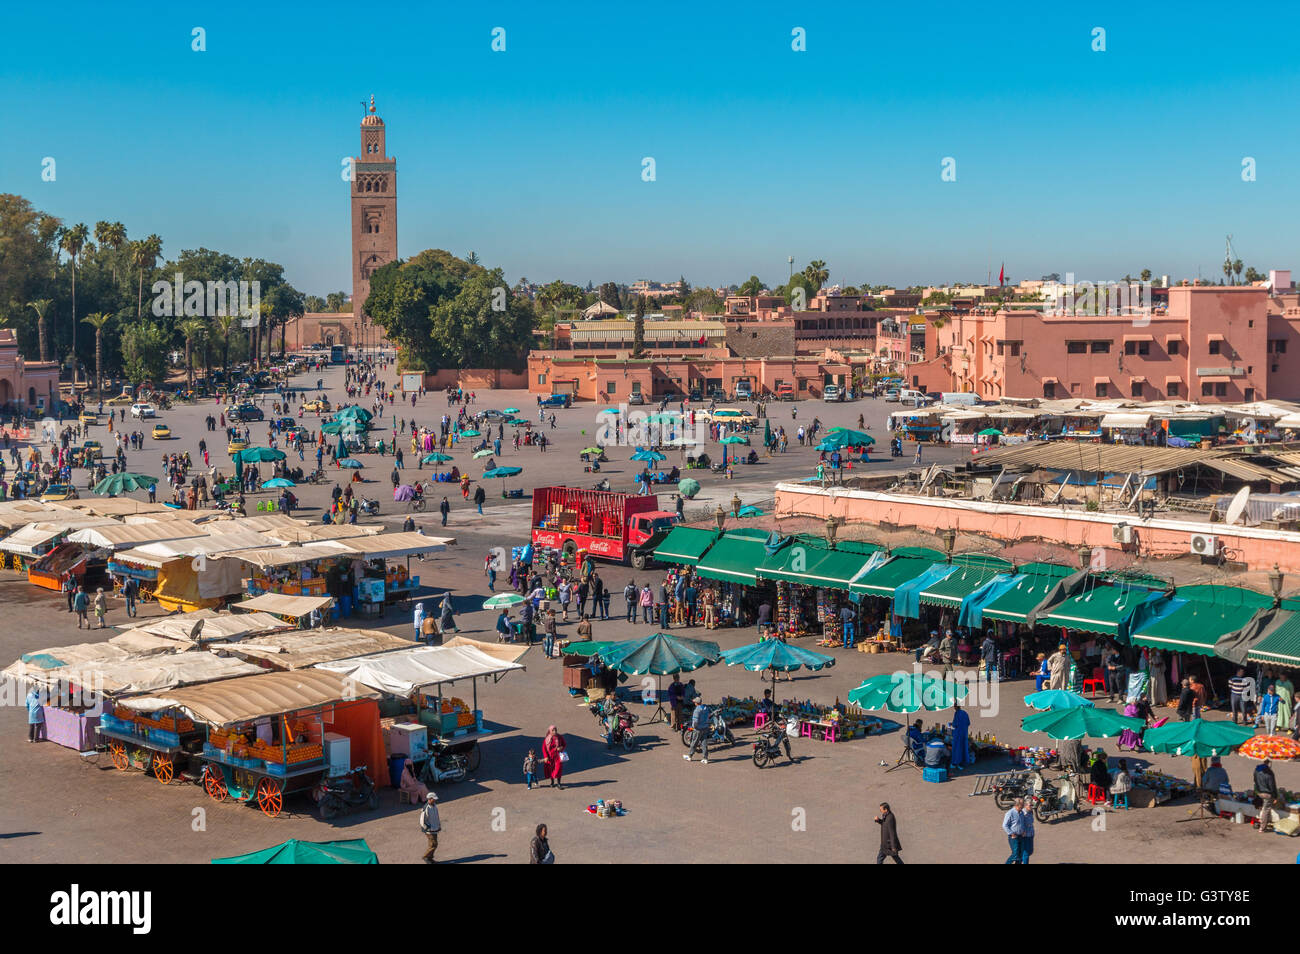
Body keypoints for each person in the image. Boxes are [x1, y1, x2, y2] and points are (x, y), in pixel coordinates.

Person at [683, 698, 711, 764]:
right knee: (704, 744)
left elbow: (695, 721)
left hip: (698, 729)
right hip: (705, 728)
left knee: (694, 743)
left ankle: (689, 756)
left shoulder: (697, 710)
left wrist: (693, 727)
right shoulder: (706, 708)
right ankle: (705, 758)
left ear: (696, 703)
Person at [1255, 758, 1278, 834]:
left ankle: (1259, 820)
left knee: (1262, 807)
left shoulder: (1256, 770)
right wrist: (1275, 796)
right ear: (1269, 763)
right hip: (1267, 794)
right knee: (1266, 810)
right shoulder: (1269, 773)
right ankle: (1262, 827)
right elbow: (1272, 786)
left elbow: (1255, 780)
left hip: (1259, 792)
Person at [419, 792, 441, 864]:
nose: (435, 800)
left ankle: (430, 859)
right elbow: (422, 821)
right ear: (429, 799)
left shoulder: (434, 806)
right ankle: (426, 857)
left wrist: (438, 825)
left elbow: (436, 816)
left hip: (435, 828)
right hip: (429, 830)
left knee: (432, 844)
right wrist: (427, 828)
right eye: (433, 799)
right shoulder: (426, 808)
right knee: (434, 844)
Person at [1002, 797, 1025, 864]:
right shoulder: (1010, 813)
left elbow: (1022, 823)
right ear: (1017, 805)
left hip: (1021, 836)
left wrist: (1023, 830)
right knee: (1015, 855)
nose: (1023, 806)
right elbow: (1004, 825)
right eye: (1022, 804)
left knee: (1020, 854)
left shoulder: (1021, 812)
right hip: (1014, 837)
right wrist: (1011, 833)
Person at [949, 701, 971, 769]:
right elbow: (968, 723)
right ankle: (962, 763)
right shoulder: (965, 713)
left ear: (955, 707)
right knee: (963, 748)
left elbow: (955, 724)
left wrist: (951, 724)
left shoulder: (957, 713)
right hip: (964, 733)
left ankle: (956, 763)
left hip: (958, 734)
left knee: (957, 749)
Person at [1016, 798, 1035, 864]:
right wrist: (1022, 832)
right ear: (1025, 805)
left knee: (1030, 851)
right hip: (1025, 835)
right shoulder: (1022, 813)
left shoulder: (1030, 812)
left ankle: (1019, 861)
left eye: (1032, 805)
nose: (1031, 806)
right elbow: (1020, 824)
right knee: (1026, 853)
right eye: (1030, 805)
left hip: (1031, 834)